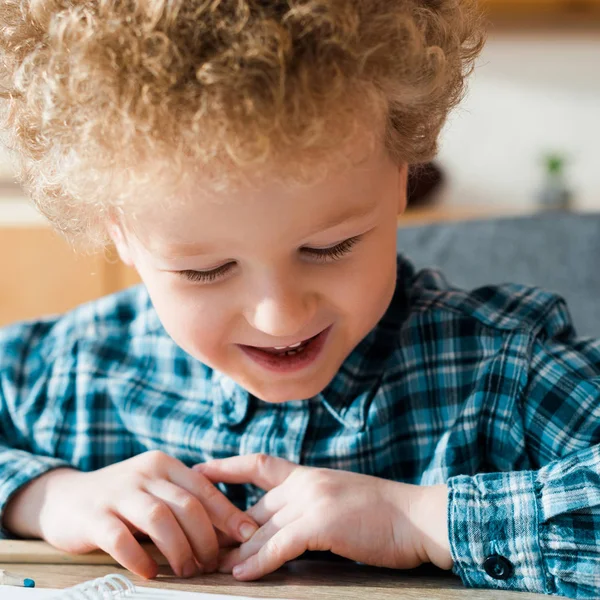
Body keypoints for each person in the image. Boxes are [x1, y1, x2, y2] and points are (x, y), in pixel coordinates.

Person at [0, 1, 596, 598]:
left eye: (329, 247)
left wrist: (422, 518)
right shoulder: (77, 370)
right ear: (117, 231)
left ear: (401, 177)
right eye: (206, 270)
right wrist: (44, 495)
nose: (278, 315)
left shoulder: (503, 373)